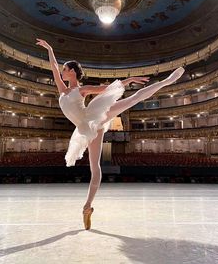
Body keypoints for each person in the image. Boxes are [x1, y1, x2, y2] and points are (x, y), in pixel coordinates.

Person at [36, 38, 185, 230]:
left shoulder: (82, 89)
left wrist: (127, 80)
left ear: (72, 71)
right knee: (95, 167)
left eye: (65, 70)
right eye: (63, 70)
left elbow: (107, 89)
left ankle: (167, 81)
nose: (62, 72)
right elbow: (54, 66)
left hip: (94, 116)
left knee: (133, 98)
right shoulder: (62, 90)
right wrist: (49, 48)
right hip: (87, 129)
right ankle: (87, 206)